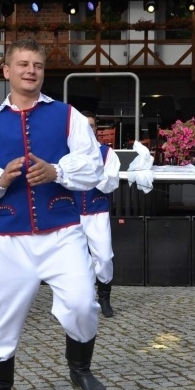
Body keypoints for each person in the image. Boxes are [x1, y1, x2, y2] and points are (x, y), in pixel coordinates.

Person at [0, 38, 107, 390]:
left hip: (62, 232)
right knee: (2, 314)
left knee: (82, 303)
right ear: (7, 70)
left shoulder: (67, 115)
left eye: (37, 65)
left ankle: (80, 368)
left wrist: (57, 171)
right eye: (23, 64)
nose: (31, 71)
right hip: (9, 237)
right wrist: (0, 178)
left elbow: (93, 166)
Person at [77, 110, 121, 318]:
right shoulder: (68, 152)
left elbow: (110, 182)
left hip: (97, 211)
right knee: (75, 260)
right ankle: (79, 300)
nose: (88, 129)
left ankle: (104, 296)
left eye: (91, 125)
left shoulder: (107, 153)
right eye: (84, 125)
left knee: (103, 256)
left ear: (96, 129)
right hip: (72, 212)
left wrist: (92, 175)